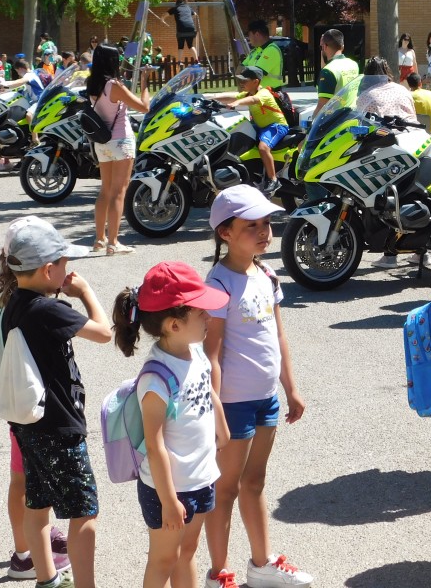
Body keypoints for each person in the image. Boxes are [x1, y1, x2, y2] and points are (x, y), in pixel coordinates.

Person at [203, 187, 311, 588]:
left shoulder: (266, 274)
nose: (264, 232)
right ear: (225, 233)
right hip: (232, 403)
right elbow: (210, 352)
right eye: (252, 226)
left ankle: (262, 563)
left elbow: (278, 337)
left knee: (255, 482)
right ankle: (219, 573)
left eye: (266, 223)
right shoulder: (219, 282)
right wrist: (215, 408)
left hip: (265, 399)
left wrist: (291, 388)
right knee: (226, 488)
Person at [0, 216, 110, 588]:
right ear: (48, 270)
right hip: (59, 426)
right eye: (63, 263)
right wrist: (86, 292)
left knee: (38, 503)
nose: (68, 270)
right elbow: (105, 333)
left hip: (30, 424)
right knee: (84, 512)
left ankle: (47, 579)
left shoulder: (14, 301)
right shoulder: (47, 310)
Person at [112, 262, 231, 588]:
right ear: (174, 325)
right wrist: (168, 500)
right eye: (201, 312)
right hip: (169, 489)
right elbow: (154, 444)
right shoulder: (155, 378)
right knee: (164, 559)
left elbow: (206, 388)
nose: (209, 317)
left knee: (187, 551)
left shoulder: (194, 352)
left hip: (199, 477)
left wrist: (221, 424)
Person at [85, 44, 150, 255]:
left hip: (102, 142)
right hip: (121, 141)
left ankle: (99, 239)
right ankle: (114, 242)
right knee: (119, 193)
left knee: (105, 191)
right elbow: (144, 107)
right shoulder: (114, 84)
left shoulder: (92, 84)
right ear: (112, 61)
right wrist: (145, 82)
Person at [209, 66, 289, 197]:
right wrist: (211, 97)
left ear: (256, 82)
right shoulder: (248, 93)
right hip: (260, 126)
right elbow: (232, 96)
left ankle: (273, 180)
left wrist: (237, 103)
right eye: (240, 80)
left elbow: (252, 101)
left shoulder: (263, 93)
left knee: (263, 148)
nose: (241, 83)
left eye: (245, 80)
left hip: (276, 126)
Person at [313, 28, 359, 118]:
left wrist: (311, 124)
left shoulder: (328, 71)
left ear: (325, 47)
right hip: (351, 117)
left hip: (334, 122)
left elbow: (322, 105)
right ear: (342, 46)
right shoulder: (353, 65)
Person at [356, 57, 416, 123]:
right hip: (413, 129)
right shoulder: (403, 90)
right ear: (387, 71)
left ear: (366, 75)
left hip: (387, 131)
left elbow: (359, 120)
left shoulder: (366, 96)